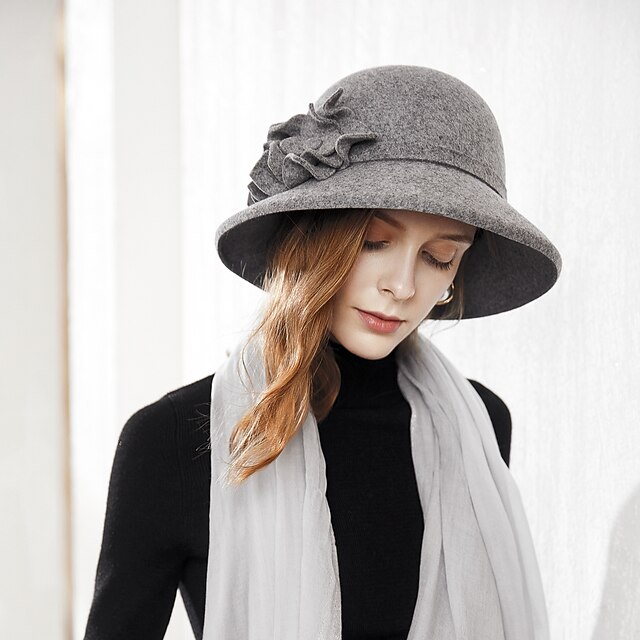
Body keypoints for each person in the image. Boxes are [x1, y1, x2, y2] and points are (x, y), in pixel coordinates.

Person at [84, 65, 561, 640]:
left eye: (439, 257)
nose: (402, 286)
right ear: (313, 235)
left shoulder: (478, 429)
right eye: (375, 242)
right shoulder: (173, 440)